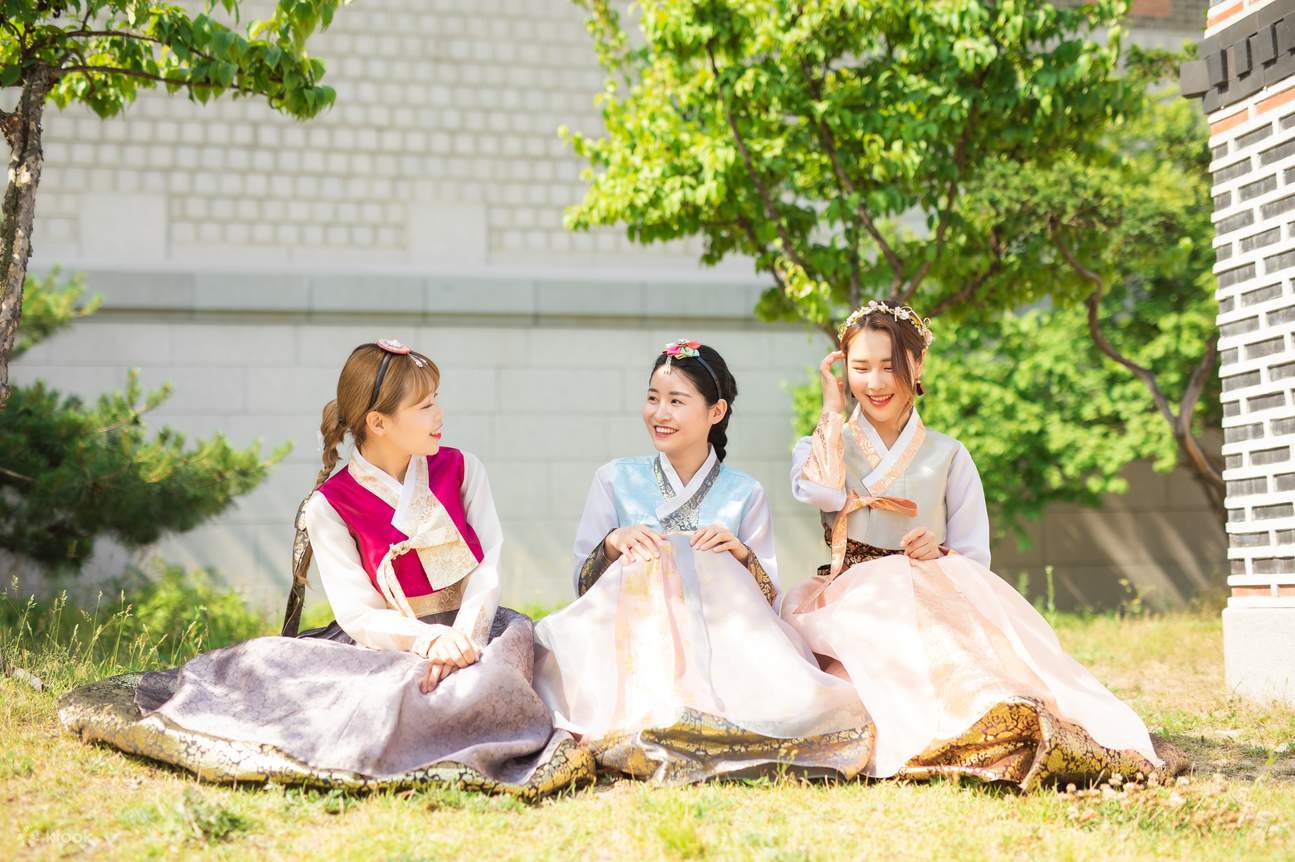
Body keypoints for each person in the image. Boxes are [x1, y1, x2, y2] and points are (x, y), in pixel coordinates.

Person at [59, 340, 593, 799]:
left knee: (497, 685)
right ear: (378, 422)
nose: (440, 416)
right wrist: (427, 644)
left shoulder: (462, 468)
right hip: (389, 644)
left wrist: (464, 640)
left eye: (437, 402)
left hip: (479, 631)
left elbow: (487, 566)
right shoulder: (330, 505)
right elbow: (358, 611)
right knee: (384, 698)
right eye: (426, 406)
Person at [780, 301, 1187, 789]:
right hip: (852, 599)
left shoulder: (949, 453)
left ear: (917, 364)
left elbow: (973, 552)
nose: (875, 383)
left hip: (930, 586)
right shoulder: (824, 444)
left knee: (979, 679)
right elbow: (820, 491)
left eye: (889, 366)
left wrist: (940, 549)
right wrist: (831, 410)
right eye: (860, 368)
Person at [533, 340, 875, 784]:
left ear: (716, 412)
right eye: (653, 398)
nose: (660, 413)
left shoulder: (744, 492)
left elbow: (767, 603)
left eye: (676, 401)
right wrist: (614, 543)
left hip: (725, 652)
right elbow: (582, 585)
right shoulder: (615, 478)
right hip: (629, 645)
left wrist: (738, 555)